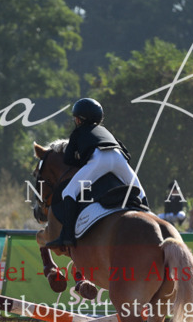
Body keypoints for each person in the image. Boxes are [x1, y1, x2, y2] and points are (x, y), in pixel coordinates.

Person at [45, 98, 146, 248]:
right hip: (119, 158)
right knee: (140, 192)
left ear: (79, 119)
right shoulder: (106, 132)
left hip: (99, 159)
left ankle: (67, 236)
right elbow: (127, 153)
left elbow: (68, 159)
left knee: (69, 192)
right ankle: (150, 217)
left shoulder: (78, 132)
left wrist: (84, 161)